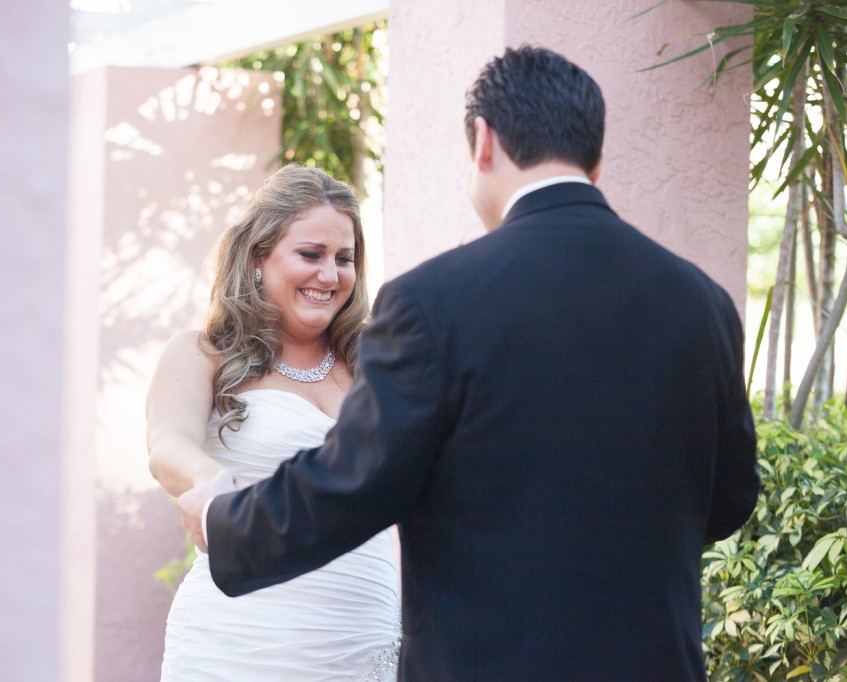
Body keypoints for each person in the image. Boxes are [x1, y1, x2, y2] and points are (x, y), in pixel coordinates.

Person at [181, 46, 760, 681]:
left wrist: (226, 521)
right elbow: (729, 499)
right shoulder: (701, 302)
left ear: (483, 141)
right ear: (595, 157)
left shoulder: (434, 303)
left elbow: (354, 483)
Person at [146, 164, 401, 681]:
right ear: (259, 258)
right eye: (311, 255)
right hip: (241, 638)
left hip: (360, 638)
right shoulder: (204, 354)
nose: (329, 276)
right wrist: (207, 480)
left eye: (344, 259)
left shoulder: (380, 364)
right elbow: (167, 444)